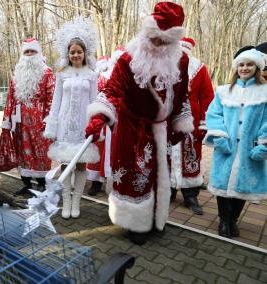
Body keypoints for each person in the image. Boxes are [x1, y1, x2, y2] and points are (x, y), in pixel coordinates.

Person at [85, 2, 194, 245]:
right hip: (132, 128)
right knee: (136, 174)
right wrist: (100, 114)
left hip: (161, 128)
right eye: (154, 38)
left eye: (164, 42)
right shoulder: (128, 59)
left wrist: (180, 122)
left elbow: (181, 94)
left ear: (173, 42)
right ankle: (135, 223)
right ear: (146, 33)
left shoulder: (182, 61)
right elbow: (113, 89)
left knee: (159, 174)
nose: (158, 45)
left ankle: (156, 219)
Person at [204, 48, 267, 238]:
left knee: (243, 186)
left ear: (257, 67)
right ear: (236, 68)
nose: (245, 68)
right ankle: (224, 221)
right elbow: (213, 114)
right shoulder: (224, 91)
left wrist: (263, 144)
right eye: (241, 64)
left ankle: (233, 220)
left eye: (249, 64)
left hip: (250, 148)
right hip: (227, 147)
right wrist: (220, 137)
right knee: (222, 184)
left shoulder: (265, 93)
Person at [44, 17, 99, 219]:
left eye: (79, 51)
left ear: (85, 54)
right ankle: (66, 201)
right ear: (68, 54)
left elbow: (95, 102)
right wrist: (52, 124)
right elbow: (56, 101)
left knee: (82, 164)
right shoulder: (62, 74)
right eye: (72, 52)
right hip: (65, 125)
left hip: (84, 126)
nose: (76, 55)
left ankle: (77, 201)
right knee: (67, 163)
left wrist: (96, 124)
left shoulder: (92, 75)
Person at [1, 38, 55, 195]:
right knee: (21, 152)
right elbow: (10, 97)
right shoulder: (17, 73)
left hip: (39, 122)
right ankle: (26, 184)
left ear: (39, 53)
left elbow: (52, 98)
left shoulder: (47, 72)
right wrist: (7, 119)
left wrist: (49, 121)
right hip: (19, 122)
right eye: (27, 51)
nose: (29, 54)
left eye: (32, 51)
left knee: (40, 152)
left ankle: (42, 184)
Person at [170, 37, 214, 215]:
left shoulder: (199, 68)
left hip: (192, 121)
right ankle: (169, 190)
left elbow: (207, 96)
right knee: (168, 154)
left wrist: (204, 122)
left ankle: (190, 195)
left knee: (191, 154)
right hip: (169, 119)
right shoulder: (167, 65)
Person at [86, 55, 110, 196]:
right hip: (100, 119)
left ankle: (111, 181)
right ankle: (96, 182)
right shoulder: (98, 79)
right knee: (98, 149)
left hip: (115, 121)